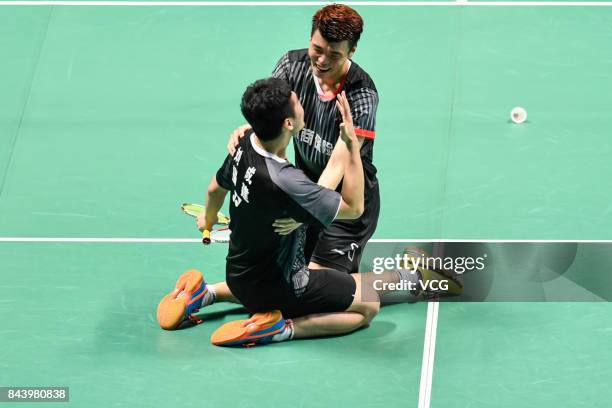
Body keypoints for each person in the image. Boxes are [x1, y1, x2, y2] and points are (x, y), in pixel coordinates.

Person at [157, 78, 437, 346]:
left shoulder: (243, 144)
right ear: (288, 123)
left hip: (239, 277)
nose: (303, 103)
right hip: (285, 288)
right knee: (368, 305)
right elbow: (354, 209)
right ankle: (280, 330)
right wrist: (352, 146)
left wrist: (208, 217)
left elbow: (214, 189)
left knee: (288, 281)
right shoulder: (286, 181)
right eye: (298, 102)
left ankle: (205, 294)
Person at [228, 4, 379, 275]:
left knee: (323, 285)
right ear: (310, 39)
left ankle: (404, 279)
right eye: (317, 49)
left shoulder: (361, 95)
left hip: (345, 201)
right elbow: (269, 111)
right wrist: (249, 128)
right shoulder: (291, 65)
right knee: (281, 276)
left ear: (351, 52)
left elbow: (337, 165)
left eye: (334, 54)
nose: (322, 61)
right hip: (303, 186)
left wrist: (305, 211)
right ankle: (209, 292)